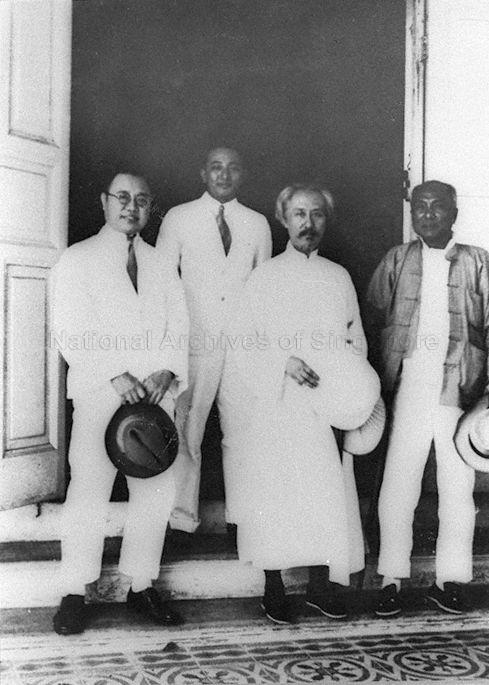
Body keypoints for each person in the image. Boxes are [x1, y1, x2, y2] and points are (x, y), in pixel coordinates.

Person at [229, 184, 380, 623]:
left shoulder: (338, 277)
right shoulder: (265, 277)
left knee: (323, 496)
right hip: (278, 405)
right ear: (283, 219)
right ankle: (273, 587)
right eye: (299, 213)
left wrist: (345, 386)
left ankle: (319, 585)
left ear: (325, 221)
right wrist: (284, 363)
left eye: (316, 214)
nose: (308, 223)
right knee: (276, 493)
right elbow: (244, 343)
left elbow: (356, 340)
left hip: (326, 407)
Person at [51, 172, 189, 634]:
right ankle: (75, 591)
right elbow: (69, 327)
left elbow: (180, 325)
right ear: (104, 202)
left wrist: (167, 370)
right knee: (89, 489)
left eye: (142, 200)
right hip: (100, 393)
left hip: (153, 396)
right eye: (123, 197)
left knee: (155, 489)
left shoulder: (161, 263)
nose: (132, 207)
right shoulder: (78, 259)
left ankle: (141, 585)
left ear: (151, 209)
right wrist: (114, 372)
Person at [367, 180, 489, 617]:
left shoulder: (478, 261)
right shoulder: (397, 259)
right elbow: (373, 314)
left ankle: (450, 581)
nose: (429, 214)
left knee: (457, 488)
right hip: (408, 388)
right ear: (412, 213)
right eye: (421, 207)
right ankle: (391, 579)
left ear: (454, 213)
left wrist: (485, 392)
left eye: (438, 207)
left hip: (459, 391)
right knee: (399, 484)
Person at [156, 147, 272, 535]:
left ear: (242, 175)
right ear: (203, 173)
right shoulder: (179, 218)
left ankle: (244, 521)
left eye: (232, 168)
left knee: (242, 433)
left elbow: (262, 290)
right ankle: (181, 519)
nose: (224, 175)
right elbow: (162, 285)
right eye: (216, 167)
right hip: (193, 343)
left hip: (241, 346)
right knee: (186, 430)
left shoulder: (257, 224)